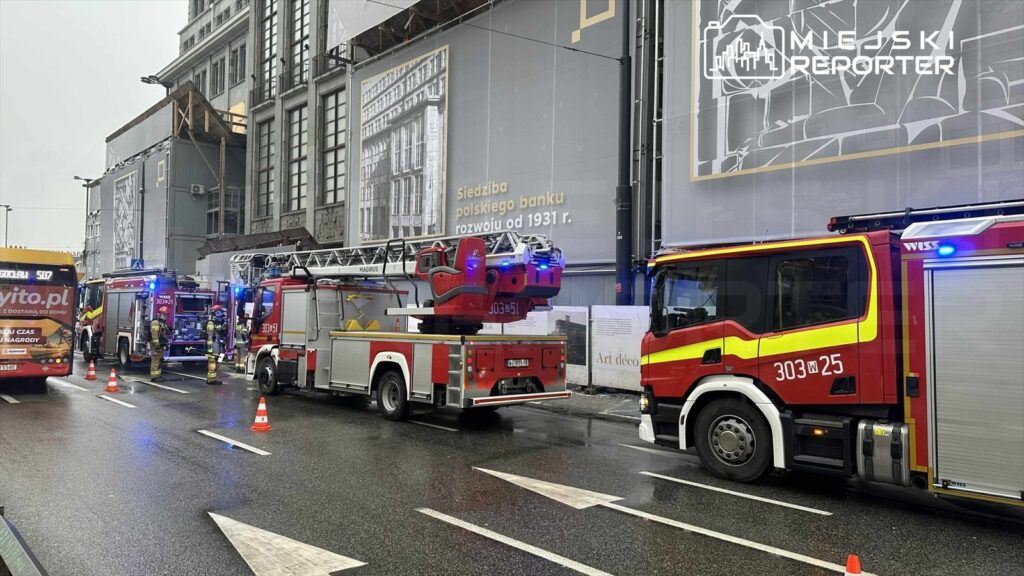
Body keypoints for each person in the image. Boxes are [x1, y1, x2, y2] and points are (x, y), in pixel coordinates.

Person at [150, 306, 170, 381]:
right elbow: (154, 335)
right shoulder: (155, 323)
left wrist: (166, 344)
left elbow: (164, 334)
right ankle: (154, 377)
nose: (165, 316)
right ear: (159, 314)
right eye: (164, 314)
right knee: (155, 360)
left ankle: (158, 375)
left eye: (166, 315)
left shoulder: (162, 323)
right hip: (156, 345)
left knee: (160, 360)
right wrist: (157, 345)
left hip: (161, 345)